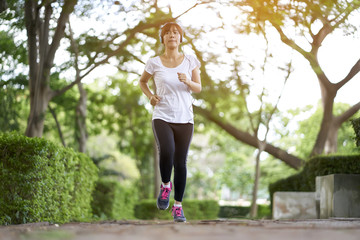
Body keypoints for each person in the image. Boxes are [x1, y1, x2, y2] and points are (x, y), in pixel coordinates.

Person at [139, 22, 201, 222]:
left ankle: (178, 207)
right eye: (167, 33)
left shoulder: (190, 60)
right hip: (162, 115)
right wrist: (150, 96)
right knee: (167, 151)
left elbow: (198, 87)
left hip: (185, 118)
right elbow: (142, 82)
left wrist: (188, 81)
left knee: (180, 163)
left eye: (175, 32)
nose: (172, 35)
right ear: (163, 39)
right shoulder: (154, 62)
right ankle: (166, 185)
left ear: (180, 38)